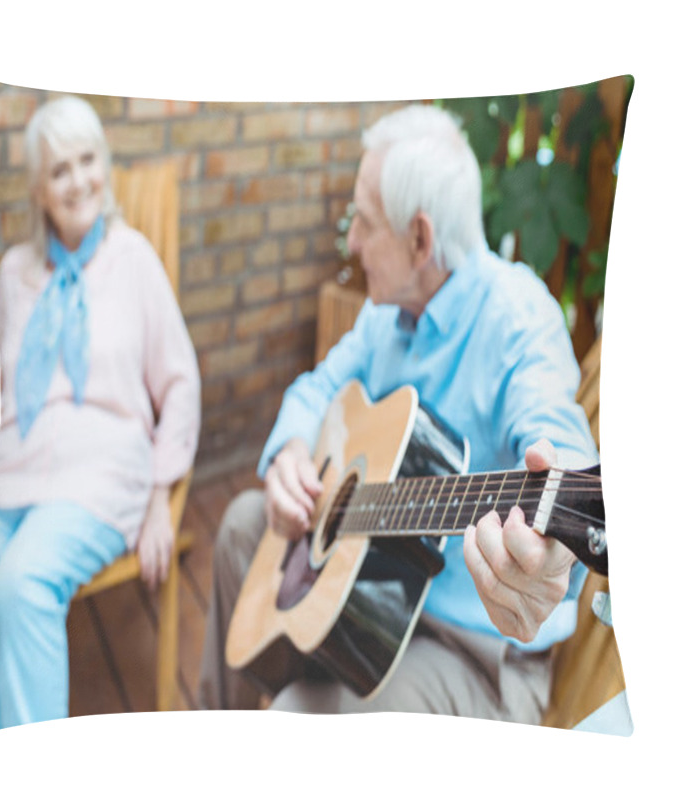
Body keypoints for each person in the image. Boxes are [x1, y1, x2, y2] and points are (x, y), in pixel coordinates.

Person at [198, 104, 599, 722]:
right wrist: (290, 454)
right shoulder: (385, 312)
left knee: (291, 718)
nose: (351, 240)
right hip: (367, 595)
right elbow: (316, 387)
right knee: (243, 524)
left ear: (419, 238)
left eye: (363, 221)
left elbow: (558, 438)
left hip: (474, 653)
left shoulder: (519, 317)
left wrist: (553, 552)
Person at [0, 96, 200, 733]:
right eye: (59, 169)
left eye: (88, 159)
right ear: (39, 189)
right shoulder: (14, 272)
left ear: (106, 164)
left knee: (19, 587)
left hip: (101, 474)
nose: (78, 180)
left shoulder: (134, 260)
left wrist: (159, 498)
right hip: (10, 468)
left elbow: (180, 383)